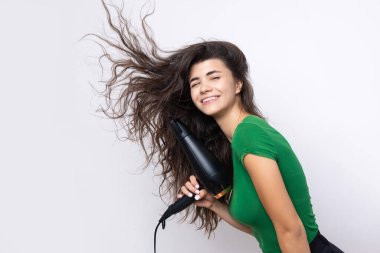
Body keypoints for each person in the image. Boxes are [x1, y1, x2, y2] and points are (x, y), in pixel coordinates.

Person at [88, 1, 344, 252]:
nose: (204, 87)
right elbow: (262, 230)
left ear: (237, 85)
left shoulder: (250, 134)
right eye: (195, 82)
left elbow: (292, 232)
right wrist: (213, 204)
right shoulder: (237, 142)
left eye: (214, 77)